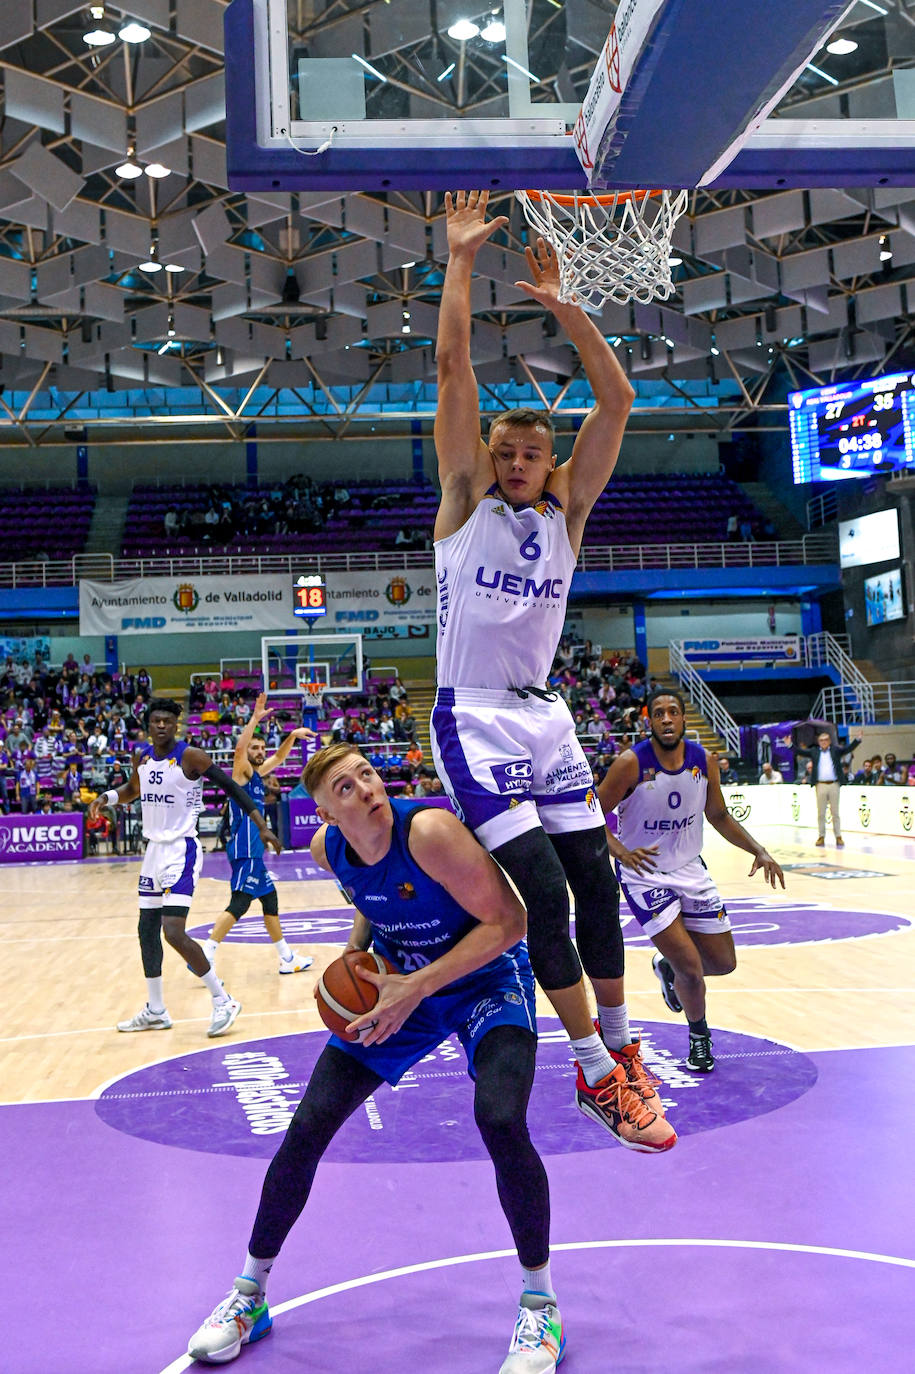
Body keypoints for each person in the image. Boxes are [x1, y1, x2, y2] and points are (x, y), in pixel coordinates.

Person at [188, 743, 564, 1372]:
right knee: (307, 1127)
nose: (365, 788)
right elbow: (372, 905)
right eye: (345, 787)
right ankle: (248, 1296)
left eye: (366, 774)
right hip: (398, 983)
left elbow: (510, 923)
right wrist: (353, 965)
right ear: (328, 816)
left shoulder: (431, 832)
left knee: (500, 1118)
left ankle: (540, 1307)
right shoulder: (328, 851)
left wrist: (414, 986)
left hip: (485, 980)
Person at [428, 190, 673, 1151]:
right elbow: (453, 367)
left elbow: (616, 401)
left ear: (552, 465)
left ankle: (620, 1049)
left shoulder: (567, 519)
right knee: (542, 894)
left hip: (547, 718)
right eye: (509, 451)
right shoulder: (463, 502)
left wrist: (564, 303)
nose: (522, 461)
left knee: (597, 888)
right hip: (474, 718)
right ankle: (590, 1070)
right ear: (490, 459)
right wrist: (457, 260)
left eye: (536, 453)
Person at [597, 690, 785, 1072]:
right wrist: (619, 850)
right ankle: (700, 1038)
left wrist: (758, 849)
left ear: (684, 720)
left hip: (690, 869)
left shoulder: (705, 761)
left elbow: (718, 815)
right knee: (691, 968)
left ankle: (665, 968)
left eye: (674, 713)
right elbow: (591, 812)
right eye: (659, 714)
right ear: (649, 721)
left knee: (723, 962)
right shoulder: (630, 764)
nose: (667, 719)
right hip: (645, 875)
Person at [88, 698, 280, 1038]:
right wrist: (107, 798)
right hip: (153, 853)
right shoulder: (142, 756)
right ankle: (156, 1010)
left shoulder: (191, 757)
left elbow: (231, 787)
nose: (161, 725)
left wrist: (261, 824)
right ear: (148, 725)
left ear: (176, 725)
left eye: (167, 721)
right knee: (146, 930)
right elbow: (133, 789)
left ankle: (223, 1000)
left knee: (173, 932)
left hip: (182, 850)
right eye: (156, 721)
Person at [202, 694, 314, 976]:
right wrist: (254, 718)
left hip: (254, 850)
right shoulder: (240, 771)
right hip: (245, 848)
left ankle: (287, 957)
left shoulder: (256, 774)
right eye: (256, 747)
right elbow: (239, 749)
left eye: (262, 747)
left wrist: (292, 735)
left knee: (270, 900)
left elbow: (279, 757)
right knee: (239, 904)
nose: (260, 751)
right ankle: (205, 954)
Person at [796, 729, 860, 848]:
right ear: (818, 742)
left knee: (835, 812)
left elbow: (847, 749)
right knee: (821, 812)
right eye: (821, 740)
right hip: (820, 784)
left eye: (826, 740)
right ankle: (821, 836)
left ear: (829, 741)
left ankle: (838, 836)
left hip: (834, 784)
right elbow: (801, 752)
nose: (824, 742)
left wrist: (857, 740)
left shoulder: (835, 751)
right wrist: (790, 745)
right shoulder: (814, 751)